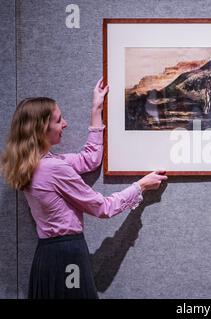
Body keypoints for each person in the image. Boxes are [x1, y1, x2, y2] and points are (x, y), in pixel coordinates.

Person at [0, 78, 168, 299]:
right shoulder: (53, 168)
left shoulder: (36, 164)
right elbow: (102, 208)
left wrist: (97, 107)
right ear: (42, 128)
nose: (65, 124)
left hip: (47, 257)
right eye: (59, 120)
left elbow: (89, 159)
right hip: (68, 257)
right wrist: (141, 186)